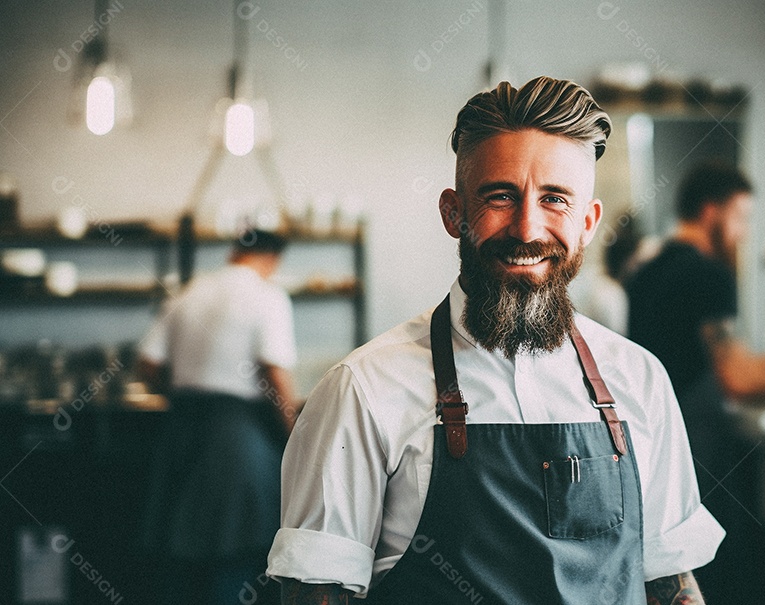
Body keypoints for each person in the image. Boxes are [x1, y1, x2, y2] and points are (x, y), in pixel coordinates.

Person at [267, 76, 722, 604]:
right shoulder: (361, 391)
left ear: (589, 222)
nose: (527, 228)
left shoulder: (640, 379)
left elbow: (672, 584)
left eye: (555, 199)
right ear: (453, 213)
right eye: (500, 196)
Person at [138, 228, 299, 605]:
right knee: (239, 550)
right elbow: (273, 370)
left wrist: (180, 392)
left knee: (183, 552)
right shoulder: (267, 295)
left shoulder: (188, 292)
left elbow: (147, 364)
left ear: (234, 253)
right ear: (272, 259)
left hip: (181, 427)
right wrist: (294, 431)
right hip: (236, 436)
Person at [626, 161, 765, 405]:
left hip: (656, 430)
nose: (744, 233)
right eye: (740, 217)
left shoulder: (644, 271)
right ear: (710, 212)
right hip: (695, 432)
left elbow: (729, 362)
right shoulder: (709, 275)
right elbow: (738, 381)